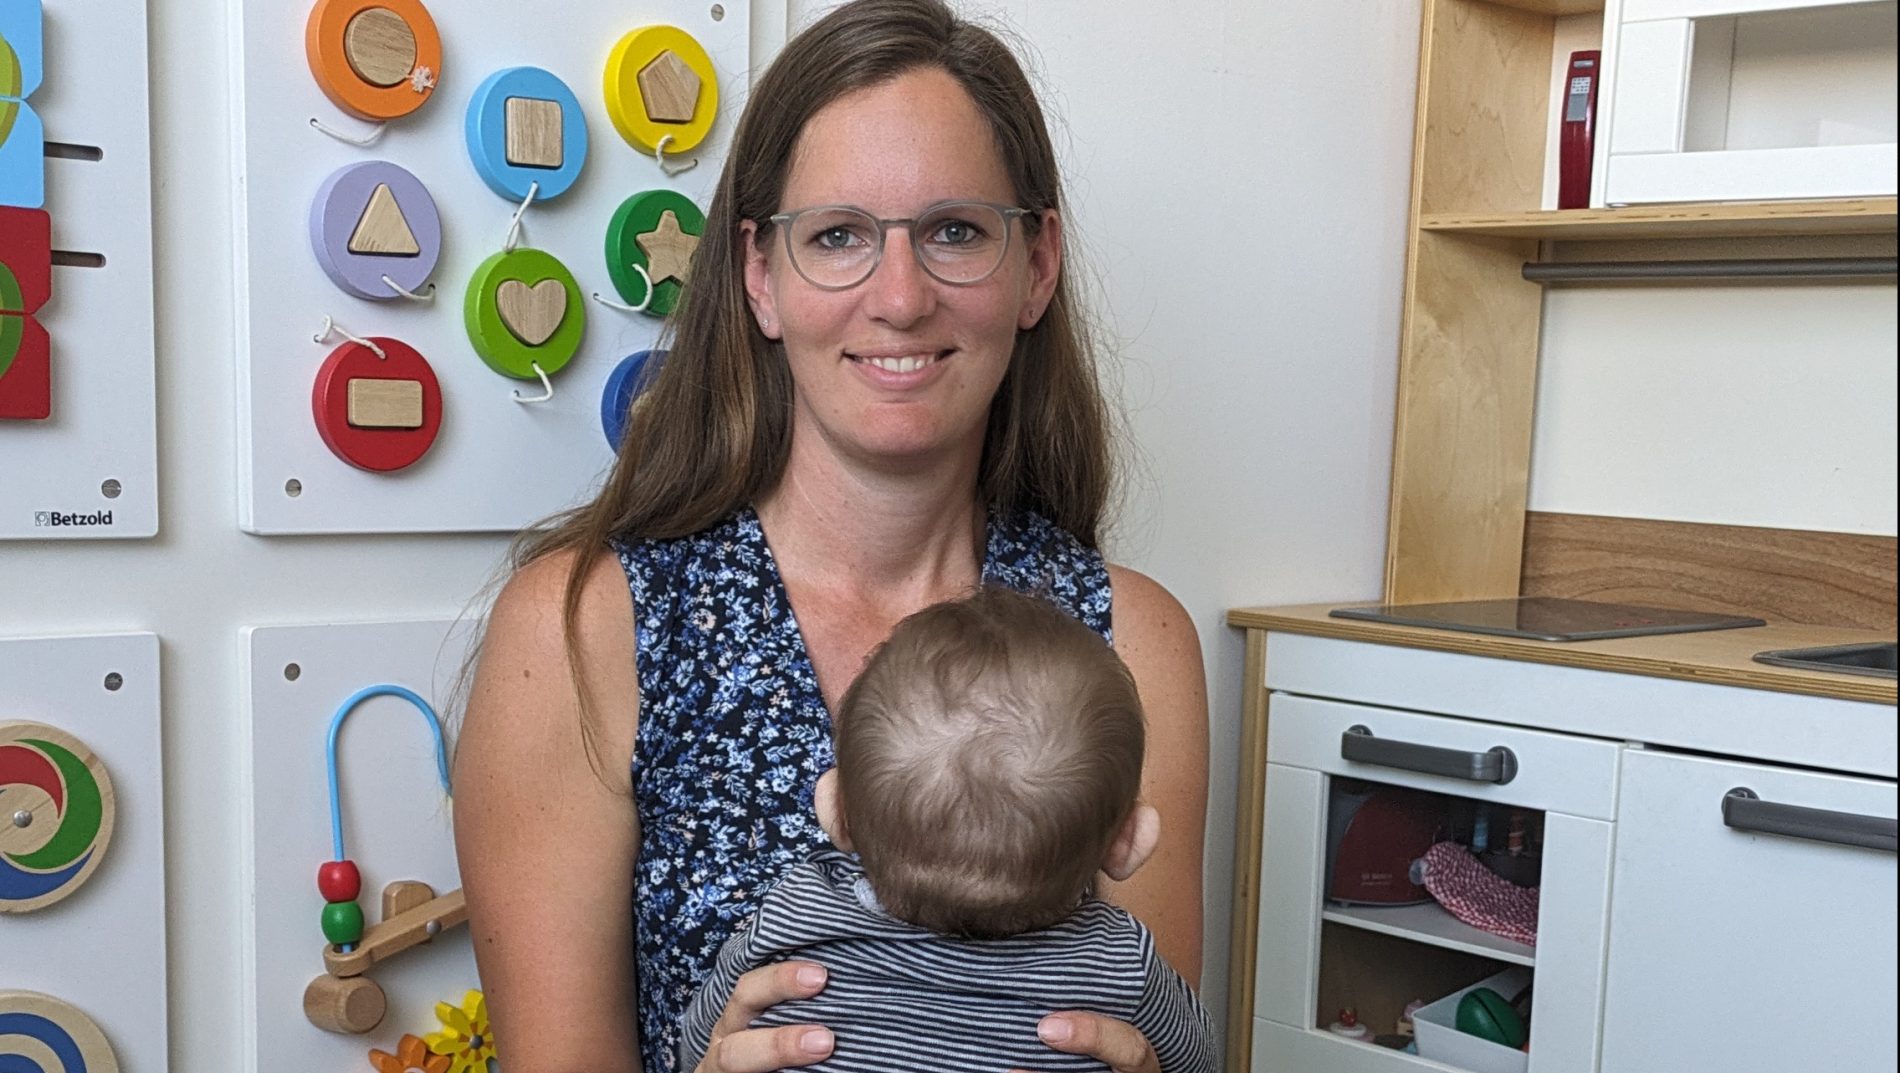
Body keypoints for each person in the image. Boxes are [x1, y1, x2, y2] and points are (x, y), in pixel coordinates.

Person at [452, 0, 1210, 1070]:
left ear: (1035, 262)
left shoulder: (1132, 641)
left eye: (954, 230)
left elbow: (1155, 1037)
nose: (898, 297)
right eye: (838, 235)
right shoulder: (583, 629)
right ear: (761, 273)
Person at [677, 588, 1216, 1073]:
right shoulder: (1117, 962)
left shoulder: (796, 912)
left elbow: (705, 1039)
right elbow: (1196, 1061)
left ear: (835, 812)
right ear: (1129, 843)